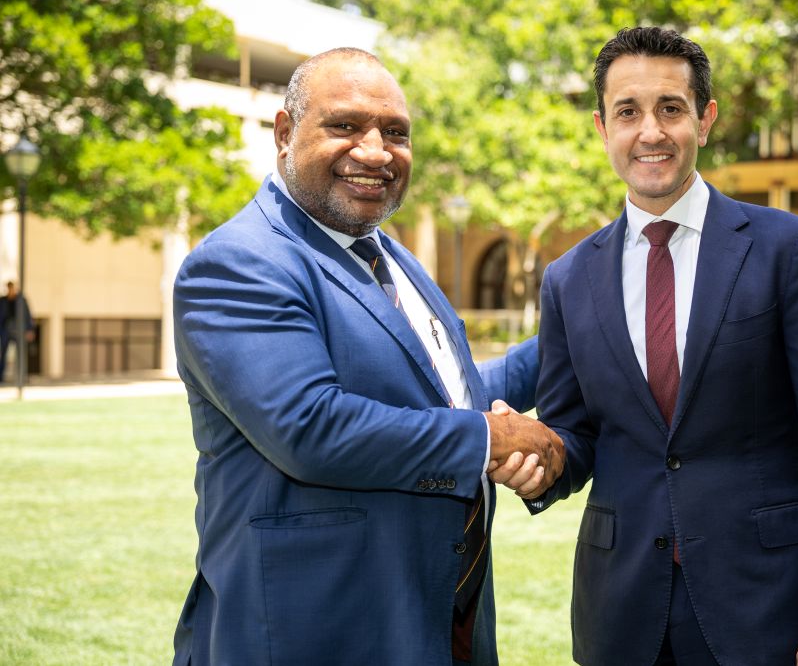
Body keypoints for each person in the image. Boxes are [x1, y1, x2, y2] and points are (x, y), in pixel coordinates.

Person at [494, 27, 798, 665]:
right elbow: (578, 432)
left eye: (670, 109)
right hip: (620, 616)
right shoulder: (568, 279)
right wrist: (539, 459)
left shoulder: (788, 250)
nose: (650, 132)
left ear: (704, 120)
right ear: (602, 127)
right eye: (628, 112)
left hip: (766, 610)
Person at [170, 48, 563, 666]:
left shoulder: (387, 254)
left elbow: (447, 393)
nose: (376, 151)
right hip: (313, 630)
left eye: (396, 133)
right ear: (283, 134)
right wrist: (488, 439)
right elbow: (309, 427)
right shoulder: (240, 263)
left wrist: (579, 326)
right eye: (346, 125)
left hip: (431, 618)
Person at [0, 281, 35, 383]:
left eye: (13, 288)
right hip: (5, 330)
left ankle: (22, 376)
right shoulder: (2, 301)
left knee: (21, 354)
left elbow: (28, 315)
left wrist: (29, 329)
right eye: (9, 288)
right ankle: (1, 377)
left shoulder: (21, 300)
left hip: (19, 330)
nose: (11, 290)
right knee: (3, 354)